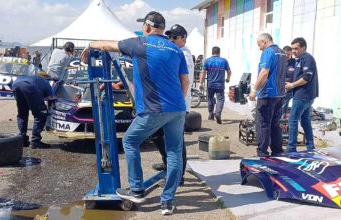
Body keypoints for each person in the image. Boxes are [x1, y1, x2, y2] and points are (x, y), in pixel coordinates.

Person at [81, 11, 189, 216]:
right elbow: (185, 81)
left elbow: (107, 44)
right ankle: (167, 201)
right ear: (163, 29)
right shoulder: (176, 50)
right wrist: (177, 105)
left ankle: (137, 189)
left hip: (153, 109)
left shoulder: (139, 44)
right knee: (174, 152)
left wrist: (90, 45)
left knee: (130, 141)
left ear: (147, 28)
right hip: (177, 108)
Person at [151, 24, 195, 186]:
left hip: (177, 105)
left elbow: (183, 82)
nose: (171, 39)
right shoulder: (174, 52)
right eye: (169, 36)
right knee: (157, 134)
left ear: (183, 39)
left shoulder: (183, 54)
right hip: (168, 104)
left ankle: (178, 176)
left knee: (176, 141)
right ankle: (168, 163)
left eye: (174, 37)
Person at [249, 33, 287, 157]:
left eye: (259, 44)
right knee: (275, 123)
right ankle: (277, 151)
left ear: (264, 42)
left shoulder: (268, 52)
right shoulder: (282, 53)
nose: (259, 48)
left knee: (263, 123)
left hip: (267, 93)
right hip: (280, 94)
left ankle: (262, 153)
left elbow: (264, 72)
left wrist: (254, 90)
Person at [285, 37, 319, 152]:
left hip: (303, 95)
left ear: (303, 48)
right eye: (292, 48)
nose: (293, 51)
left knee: (292, 120)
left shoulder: (307, 58)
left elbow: (306, 78)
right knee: (305, 121)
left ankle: (291, 149)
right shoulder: (299, 59)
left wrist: (292, 85)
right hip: (304, 95)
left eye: (296, 48)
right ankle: (310, 147)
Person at [12, 75, 54, 149]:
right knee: (41, 114)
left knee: (22, 114)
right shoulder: (46, 83)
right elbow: (50, 98)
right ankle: (35, 141)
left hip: (15, 85)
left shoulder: (33, 78)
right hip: (30, 87)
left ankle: (22, 140)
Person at [199, 46, 232, 124]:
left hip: (210, 84)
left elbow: (203, 73)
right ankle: (218, 113)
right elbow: (229, 71)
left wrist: (201, 83)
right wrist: (228, 78)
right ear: (219, 52)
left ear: (212, 52)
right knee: (220, 99)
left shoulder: (207, 61)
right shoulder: (224, 61)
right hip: (220, 84)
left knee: (210, 98)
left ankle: (211, 115)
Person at [281, 45, 295, 118]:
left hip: (293, 88)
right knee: (283, 106)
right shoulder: (279, 62)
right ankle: (282, 121)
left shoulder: (295, 62)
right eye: (285, 54)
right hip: (282, 88)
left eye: (288, 54)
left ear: (291, 54)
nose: (286, 55)